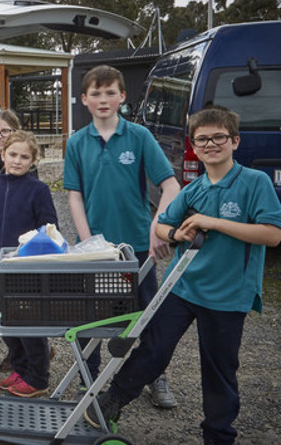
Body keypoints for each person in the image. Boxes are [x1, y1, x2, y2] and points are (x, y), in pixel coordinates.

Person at [84, 106, 281, 444]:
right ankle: (112, 400)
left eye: (219, 137)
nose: (211, 144)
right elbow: (161, 226)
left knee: (219, 369)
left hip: (228, 295)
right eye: (202, 139)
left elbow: (271, 234)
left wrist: (213, 222)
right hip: (183, 286)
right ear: (194, 144)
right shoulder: (194, 188)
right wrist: (176, 235)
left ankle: (218, 435)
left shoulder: (254, 182)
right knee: (153, 350)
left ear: (235, 141)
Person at [63, 65, 181, 408]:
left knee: (147, 318)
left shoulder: (139, 137)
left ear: (122, 97)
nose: (103, 99)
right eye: (96, 93)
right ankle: (88, 378)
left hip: (138, 248)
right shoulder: (76, 142)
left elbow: (170, 185)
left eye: (110, 92)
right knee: (92, 318)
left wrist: (157, 228)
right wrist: (89, 243)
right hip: (96, 251)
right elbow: (74, 195)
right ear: (84, 99)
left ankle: (154, 376)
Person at [0, 130, 57, 397]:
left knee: (30, 326)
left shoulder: (39, 190)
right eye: (12, 155)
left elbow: (49, 227)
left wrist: (33, 258)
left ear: (33, 160)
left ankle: (38, 377)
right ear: (2, 155)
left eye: (24, 156)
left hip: (27, 273)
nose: (17, 161)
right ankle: (20, 369)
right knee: (8, 324)